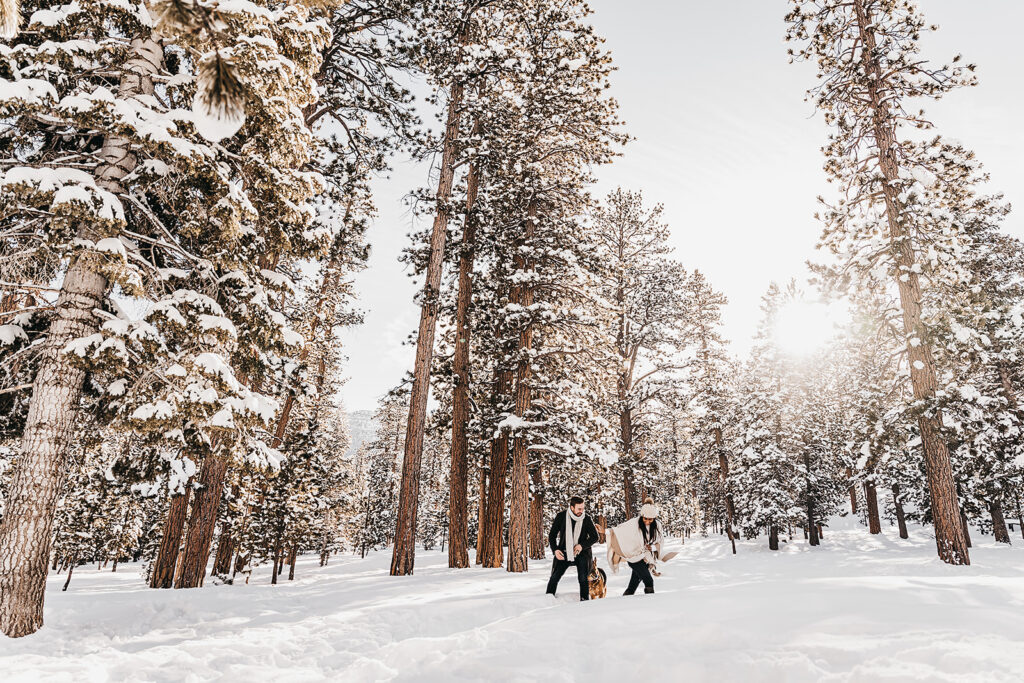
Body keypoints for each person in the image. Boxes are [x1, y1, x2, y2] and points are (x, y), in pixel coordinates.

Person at [606, 497, 666, 595]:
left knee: (633, 584)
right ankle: (652, 603)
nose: (647, 521)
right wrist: (605, 531)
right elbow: (619, 530)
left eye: (650, 519)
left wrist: (653, 547)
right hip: (633, 556)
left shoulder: (657, 525)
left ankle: (626, 600)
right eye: (645, 518)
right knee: (649, 581)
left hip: (646, 557)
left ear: (654, 518)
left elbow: (660, 541)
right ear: (642, 516)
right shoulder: (634, 523)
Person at [545, 495, 600, 601]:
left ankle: (584, 601)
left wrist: (581, 545)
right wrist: (555, 550)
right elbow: (552, 535)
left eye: (583, 508)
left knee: (583, 579)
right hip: (564, 552)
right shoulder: (561, 517)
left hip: (581, 553)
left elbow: (595, 537)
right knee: (554, 577)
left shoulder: (586, 518)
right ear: (571, 507)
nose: (581, 511)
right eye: (579, 508)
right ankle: (547, 600)